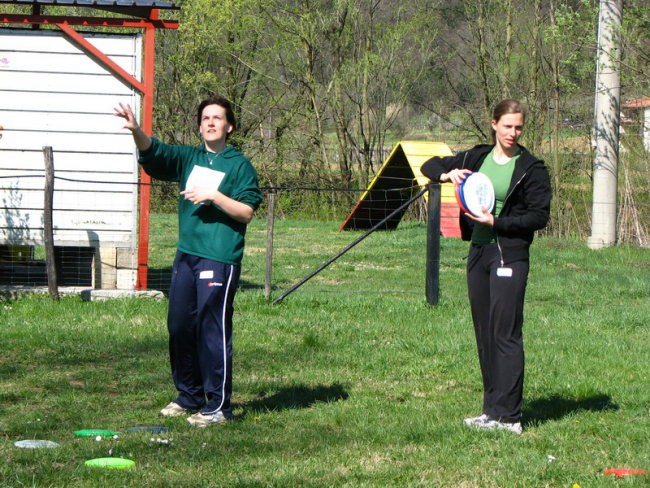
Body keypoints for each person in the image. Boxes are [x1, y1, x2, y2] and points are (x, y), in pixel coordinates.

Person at [114, 96, 263, 427]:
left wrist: (215, 196)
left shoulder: (238, 165)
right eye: (205, 118)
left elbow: (247, 211)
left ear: (229, 127)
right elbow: (156, 153)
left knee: (212, 331)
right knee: (180, 325)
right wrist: (136, 130)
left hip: (220, 258)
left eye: (217, 118)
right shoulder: (189, 158)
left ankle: (218, 406)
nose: (210, 122)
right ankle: (189, 396)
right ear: (200, 125)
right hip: (187, 256)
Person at [421, 99, 551, 434]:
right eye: (507, 126)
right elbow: (429, 166)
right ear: (493, 124)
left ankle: (510, 417)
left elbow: (539, 216)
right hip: (479, 251)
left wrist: (498, 221)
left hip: (508, 253)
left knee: (505, 333)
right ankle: (491, 411)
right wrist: (447, 173)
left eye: (518, 127)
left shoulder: (532, 168)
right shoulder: (476, 157)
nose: (513, 132)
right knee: (485, 332)